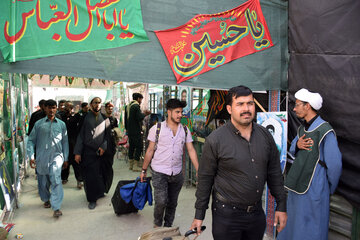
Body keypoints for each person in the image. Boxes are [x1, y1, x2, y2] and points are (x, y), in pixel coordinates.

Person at [190, 85, 287, 240]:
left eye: (250, 103)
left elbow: (274, 173)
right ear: (229, 109)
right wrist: (199, 215)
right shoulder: (215, 140)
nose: (246, 108)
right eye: (240, 104)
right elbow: (205, 179)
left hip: (256, 214)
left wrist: (281, 205)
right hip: (227, 216)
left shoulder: (265, 136)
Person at [277, 89, 342, 240]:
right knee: (294, 225)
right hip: (296, 188)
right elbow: (292, 152)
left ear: (308, 106)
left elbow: (335, 165)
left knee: (312, 228)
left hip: (315, 189)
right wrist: (297, 145)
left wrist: (327, 188)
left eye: (297, 105)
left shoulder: (325, 131)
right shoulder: (301, 130)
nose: (294, 108)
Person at [140, 99, 199, 228]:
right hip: (159, 171)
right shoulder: (156, 129)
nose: (180, 115)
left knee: (172, 203)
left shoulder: (185, 130)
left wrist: (198, 170)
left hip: (177, 173)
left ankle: (167, 226)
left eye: (181, 112)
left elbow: (191, 150)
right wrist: (143, 170)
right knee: (161, 201)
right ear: (169, 112)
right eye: (177, 112)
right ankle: (157, 224)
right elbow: (150, 150)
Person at [27, 99, 69, 218]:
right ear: (45, 108)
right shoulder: (39, 124)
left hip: (57, 157)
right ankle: (46, 198)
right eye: (49, 108)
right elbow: (30, 141)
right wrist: (31, 156)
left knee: (56, 180)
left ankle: (56, 207)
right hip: (42, 158)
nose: (51, 110)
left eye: (54, 107)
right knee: (43, 181)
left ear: (56, 109)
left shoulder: (61, 124)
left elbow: (65, 142)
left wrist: (65, 158)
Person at [74, 97, 110, 210]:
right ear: (90, 104)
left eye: (99, 103)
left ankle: (99, 192)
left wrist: (104, 146)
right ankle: (92, 199)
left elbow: (107, 136)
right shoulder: (84, 118)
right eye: (95, 103)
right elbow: (79, 136)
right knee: (90, 176)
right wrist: (77, 152)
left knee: (101, 173)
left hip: (101, 152)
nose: (98, 105)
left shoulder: (105, 118)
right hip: (88, 151)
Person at [60, 101, 83, 189]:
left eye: (69, 107)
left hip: (74, 143)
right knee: (65, 161)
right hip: (64, 143)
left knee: (76, 162)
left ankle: (79, 180)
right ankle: (64, 178)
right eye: (66, 107)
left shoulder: (76, 117)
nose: (67, 109)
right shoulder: (61, 117)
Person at [125, 93, 151, 172]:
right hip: (136, 131)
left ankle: (131, 165)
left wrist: (127, 129)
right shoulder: (136, 106)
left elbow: (126, 119)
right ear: (138, 99)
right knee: (139, 146)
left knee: (131, 147)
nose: (141, 101)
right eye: (141, 99)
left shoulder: (128, 106)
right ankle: (136, 165)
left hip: (130, 131)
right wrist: (145, 114)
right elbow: (139, 117)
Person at [101, 102, 118, 193]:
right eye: (108, 108)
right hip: (102, 147)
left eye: (111, 108)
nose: (110, 110)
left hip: (111, 147)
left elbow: (116, 131)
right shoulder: (101, 119)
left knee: (109, 167)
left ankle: (106, 187)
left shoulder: (113, 119)